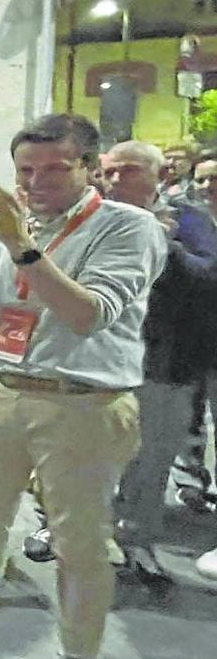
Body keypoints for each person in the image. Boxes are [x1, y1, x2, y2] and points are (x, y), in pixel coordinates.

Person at [0, 114, 166, 659]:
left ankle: (80, 649)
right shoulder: (12, 228)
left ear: (91, 169)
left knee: (80, 545)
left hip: (81, 404)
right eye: (26, 170)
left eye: (54, 169)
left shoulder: (127, 227)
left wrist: (21, 246)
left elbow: (88, 315)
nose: (35, 182)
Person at [100, 142, 217, 582]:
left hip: (162, 363)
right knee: (83, 456)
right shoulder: (91, 217)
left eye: (127, 171)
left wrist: (163, 243)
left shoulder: (187, 218)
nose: (115, 181)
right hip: (96, 358)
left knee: (148, 460)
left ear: (160, 174)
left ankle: (137, 544)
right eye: (109, 172)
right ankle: (67, 530)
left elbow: (209, 278)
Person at [185, 152, 217, 578]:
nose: (209, 186)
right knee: (192, 427)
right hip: (195, 345)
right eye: (203, 179)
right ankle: (191, 485)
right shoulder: (190, 222)